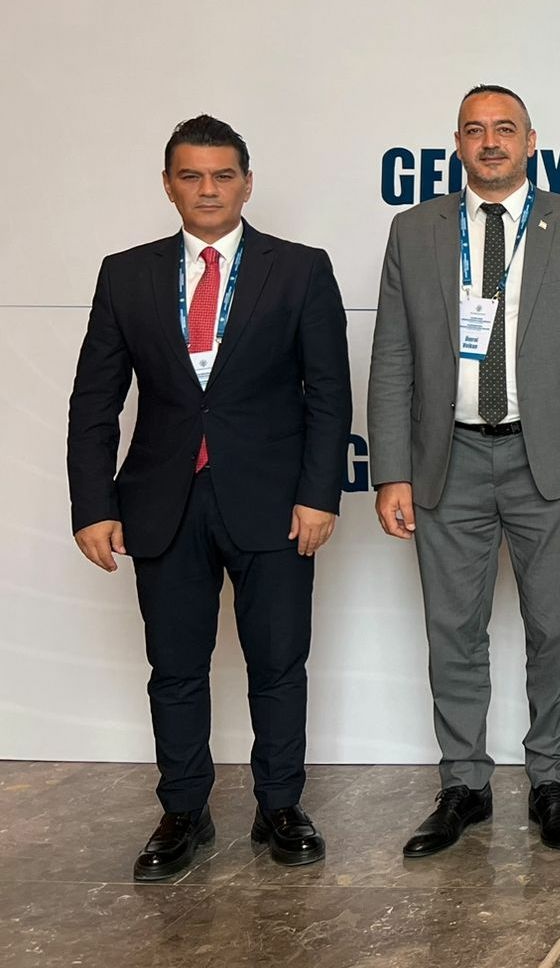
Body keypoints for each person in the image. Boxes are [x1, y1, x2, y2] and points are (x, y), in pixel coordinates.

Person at [67, 115, 351, 881]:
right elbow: (94, 401)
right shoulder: (125, 274)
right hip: (163, 502)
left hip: (274, 501)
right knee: (175, 669)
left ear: (247, 184)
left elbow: (329, 393)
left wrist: (319, 495)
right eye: (191, 176)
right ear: (168, 185)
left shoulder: (300, 269)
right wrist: (93, 505)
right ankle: (183, 811)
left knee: (279, 664)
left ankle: (280, 806)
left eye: (223, 175)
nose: (208, 190)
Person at [368, 85, 560, 857]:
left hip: (549, 461)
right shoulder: (415, 230)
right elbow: (391, 358)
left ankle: (550, 780)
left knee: (555, 628)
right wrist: (391, 470)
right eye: (476, 130)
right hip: (446, 458)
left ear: (530, 141)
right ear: (457, 142)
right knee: (453, 630)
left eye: (505, 129)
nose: (490, 142)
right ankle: (464, 784)